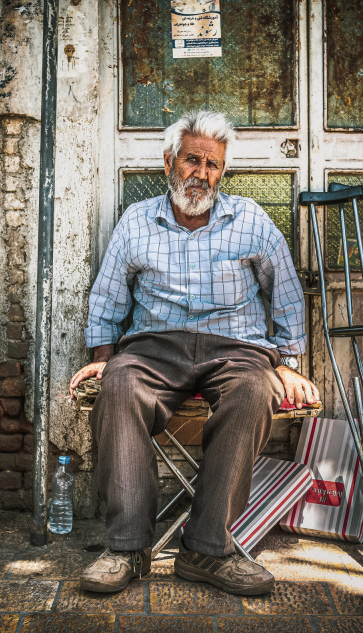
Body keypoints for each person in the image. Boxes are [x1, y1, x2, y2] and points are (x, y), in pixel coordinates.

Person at [69, 110, 318, 596]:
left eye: (213, 165)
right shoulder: (137, 222)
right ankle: (127, 549)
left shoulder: (251, 220)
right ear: (169, 163)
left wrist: (287, 363)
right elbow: (108, 298)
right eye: (192, 160)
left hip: (237, 350)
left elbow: (285, 292)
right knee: (118, 386)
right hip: (155, 348)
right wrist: (103, 355)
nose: (202, 174)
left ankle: (207, 550)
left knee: (252, 392)